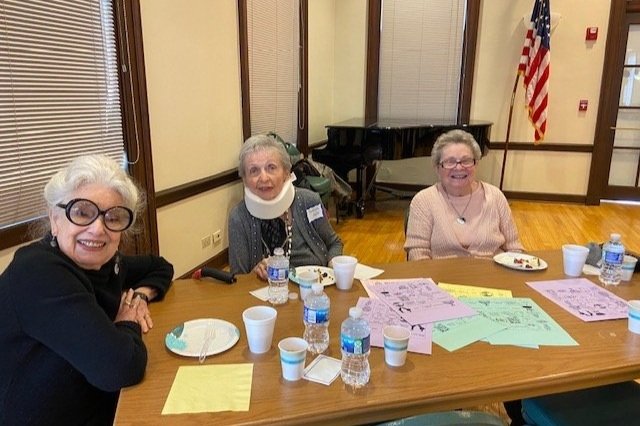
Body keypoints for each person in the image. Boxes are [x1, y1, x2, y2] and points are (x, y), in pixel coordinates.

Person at [0, 154, 174, 425]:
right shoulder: (38, 271)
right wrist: (127, 322)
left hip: (100, 403)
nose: (98, 229)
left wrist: (140, 296)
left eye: (113, 217)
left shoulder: (106, 263)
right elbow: (119, 367)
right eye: (82, 212)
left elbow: (159, 267)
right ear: (55, 219)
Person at [229, 134, 343, 280]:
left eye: (271, 167)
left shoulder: (309, 201)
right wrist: (255, 272)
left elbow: (334, 243)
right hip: (266, 292)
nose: (264, 178)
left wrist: (333, 269)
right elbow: (238, 280)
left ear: (286, 173)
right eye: (254, 171)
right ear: (245, 179)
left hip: (313, 286)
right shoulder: (239, 217)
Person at [404, 129, 524, 260]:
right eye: (450, 161)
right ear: (437, 168)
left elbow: (514, 247)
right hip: (440, 272)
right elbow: (417, 253)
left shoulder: (495, 196)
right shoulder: (423, 201)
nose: (459, 167)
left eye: (466, 160)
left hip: (491, 272)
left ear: (476, 164)